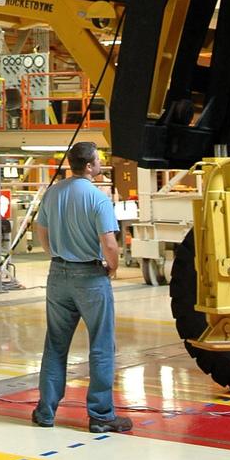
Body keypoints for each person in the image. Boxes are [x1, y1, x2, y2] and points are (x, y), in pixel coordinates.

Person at [31, 141, 132, 433]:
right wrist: (112, 267)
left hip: (58, 276)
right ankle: (101, 415)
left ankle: (45, 412)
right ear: (89, 166)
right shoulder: (98, 199)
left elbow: (42, 231)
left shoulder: (53, 193)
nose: (101, 163)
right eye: (98, 160)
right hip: (90, 277)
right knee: (101, 345)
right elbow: (110, 243)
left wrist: (55, 255)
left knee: (56, 344)